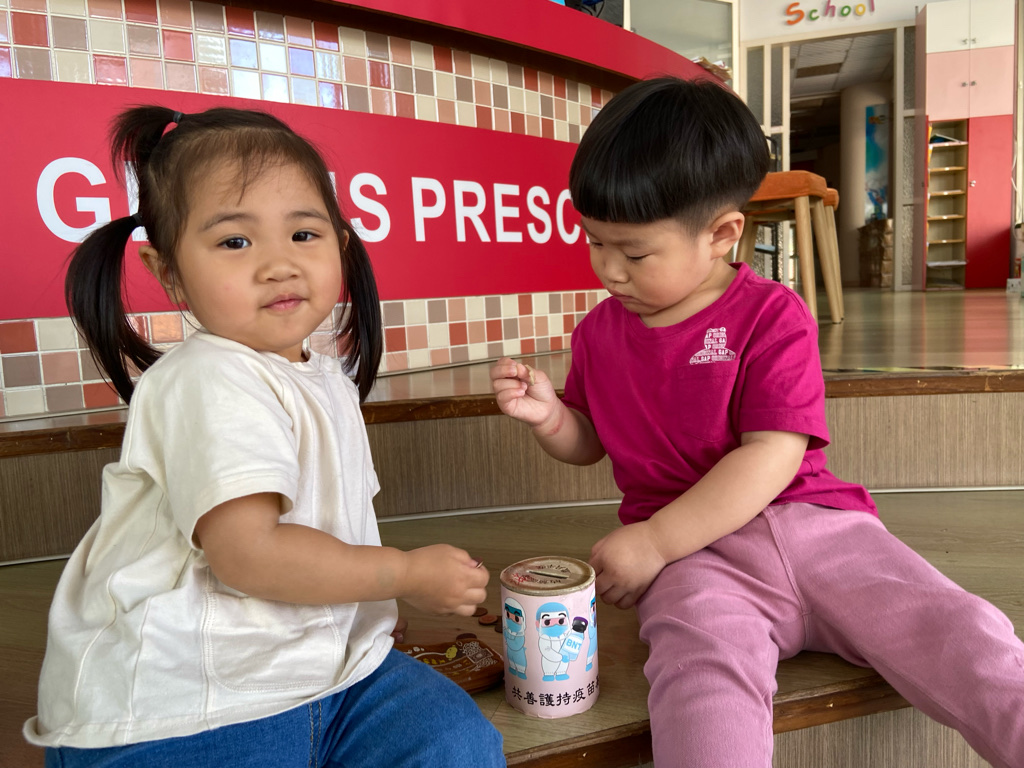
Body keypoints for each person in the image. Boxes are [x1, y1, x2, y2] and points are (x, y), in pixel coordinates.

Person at [490, 77, 1024, 768]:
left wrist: (653, 540)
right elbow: (590, 439)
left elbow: (773, 452)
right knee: (699, 677)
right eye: (595, 242)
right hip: (696, 565)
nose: (609, 271)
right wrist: (551, 417)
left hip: (813, 527)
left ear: (721, 234)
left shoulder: (771, 315)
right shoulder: (598, 334)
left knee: (957, 629)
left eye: (635, 253)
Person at [24, 105, 505, 768]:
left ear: (340, 244)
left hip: (329, 676)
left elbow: (329, 526)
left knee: (454, 740)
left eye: (303, 233)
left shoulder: (325, 377)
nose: (279, 264)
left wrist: (371, 604)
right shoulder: (208, 377)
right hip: (189, 696)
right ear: (168, 272)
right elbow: (249, 555)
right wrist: (402, 573)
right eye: (235, 242)